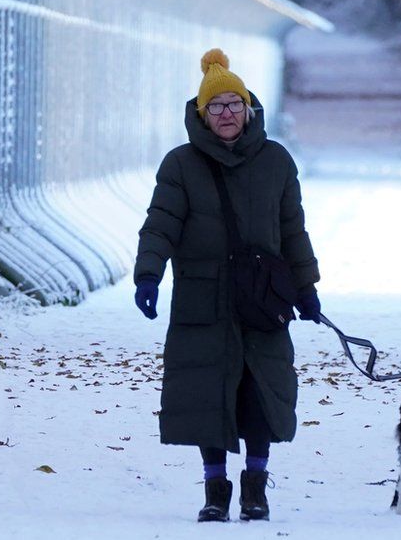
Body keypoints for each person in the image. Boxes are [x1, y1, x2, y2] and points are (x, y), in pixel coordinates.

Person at [133, 48, 321, 523]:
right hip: (204, 297)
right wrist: (149, 274)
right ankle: (215, 490)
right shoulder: (180, 165)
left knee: (260, 391)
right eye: (216, 106)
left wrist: (307, 286)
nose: (227, 114)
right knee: (207, 393)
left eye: (235, 104)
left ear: (249, 108)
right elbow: (161, 224)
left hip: (262, 298)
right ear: (202, 113)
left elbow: (293, 230)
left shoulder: (276, 161)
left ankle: (255, 486)